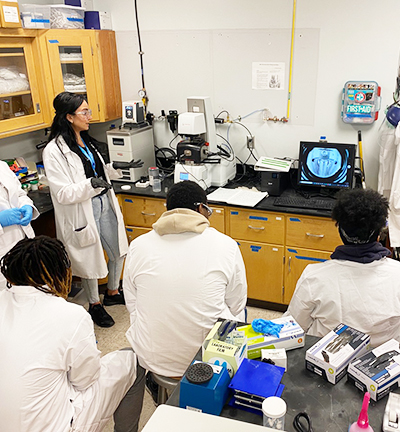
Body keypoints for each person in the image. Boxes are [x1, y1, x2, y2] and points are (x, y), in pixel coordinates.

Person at [0, 236, 145, 432]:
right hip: (54, 427)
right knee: (133, 362)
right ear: (60, 272)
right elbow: (86, 379)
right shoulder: (70, 315)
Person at [124, 180, 247, 385]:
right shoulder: (226, 245)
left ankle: (158, 384)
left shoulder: (138, 245)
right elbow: (237, 305)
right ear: (201, 208)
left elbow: (132, 305)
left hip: (151, 357)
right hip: (209, 360)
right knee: (240, 313)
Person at [43, 92, 143, 328]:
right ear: (69, 117)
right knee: (89, 257)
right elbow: (62, 193)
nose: (89, 116)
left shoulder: (86, 141)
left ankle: (112, 292)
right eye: (84, 112)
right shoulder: (53, 151)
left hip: (103, 202)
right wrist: (90, 185)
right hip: (82, 210)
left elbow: (98, 171)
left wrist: (116, 168)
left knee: (118, 249)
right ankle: (94, 305)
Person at [284, 188, 400, 347]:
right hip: (381, 365)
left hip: (325, 362)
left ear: (340, 230)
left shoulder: (314, 276)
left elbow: (293, 328)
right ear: (380, 233)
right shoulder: (397, 274)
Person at [0, 160, 38, 290]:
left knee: (32, 291)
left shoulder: (2, 166)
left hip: (25, 242)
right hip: (3, 251)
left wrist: (26, 205)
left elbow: (20, 193)